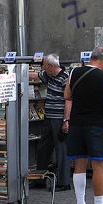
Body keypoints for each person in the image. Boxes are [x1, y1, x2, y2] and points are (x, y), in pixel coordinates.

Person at [62, 47, 103, 204]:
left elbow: (67, 95)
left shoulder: (74, 73)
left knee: (79, 166)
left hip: (77, 125)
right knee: (98, 167)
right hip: (96, 126)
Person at [30, 54, 71, 190]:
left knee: (61, 150)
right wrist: (17, 71)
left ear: (51, 66)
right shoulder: (49, 75)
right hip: (49, 117)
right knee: (43, 148)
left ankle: (64, 183)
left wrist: (66, 120)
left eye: (45, 65)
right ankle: (39, 180)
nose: (43, 68)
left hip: (59, 118)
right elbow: (35, 75)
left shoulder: (65, 78)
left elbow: (69, 100)